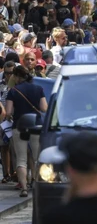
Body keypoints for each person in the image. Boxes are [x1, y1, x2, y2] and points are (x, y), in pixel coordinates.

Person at [5, 64, 48, 197]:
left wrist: (10, 116)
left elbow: (8, 112)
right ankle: (36, 183)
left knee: (21, 159)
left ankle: (24, 188)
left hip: (19, 125)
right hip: (36, 125)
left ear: (17, 76)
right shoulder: (38, 88)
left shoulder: (13, 91)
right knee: (37, 157)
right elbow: (44, 108)